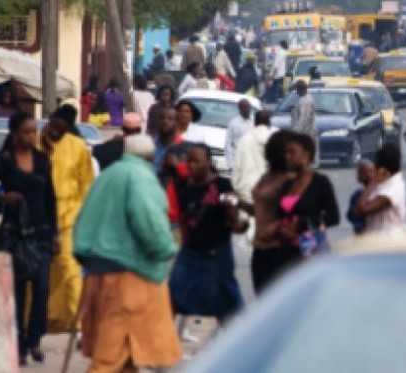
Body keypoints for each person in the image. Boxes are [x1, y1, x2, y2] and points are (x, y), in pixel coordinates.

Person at [74, 134, 181, 372]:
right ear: (151, 157)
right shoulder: (141, 177)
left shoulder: (108, 175)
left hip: (97, 270)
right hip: (128, 274)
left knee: (127, 355)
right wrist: (166, 249)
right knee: (111, 356)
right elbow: (148, 221)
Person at [0, 112, 57, 365]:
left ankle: (35, 340)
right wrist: (2, 199)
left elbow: (50, 199)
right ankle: (21, 345)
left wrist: (55, 233)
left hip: (41, 233)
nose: (31, 136)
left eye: (33, 131)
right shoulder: (3, 162)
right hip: (14, 234)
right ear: (15, 133)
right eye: (26, 131)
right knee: (19, 293)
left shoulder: (43, 161)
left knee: (42, 289)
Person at [248, 131, 340, 293]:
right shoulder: (288, 184)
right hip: (284, 251)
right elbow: (281, 215)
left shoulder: (320, 183)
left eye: (292, 152)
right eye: (285, 153)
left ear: (307, 155)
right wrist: (276, 227)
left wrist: (302, 223)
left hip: (309, 249)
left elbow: (333, 217)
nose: (287, 157)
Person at [169, 144, 247, 325]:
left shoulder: (222, 186)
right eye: (189, 161)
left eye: (197, 161)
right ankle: (163, 346)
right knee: (172, 296)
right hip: (190, 252)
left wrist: (241, 223)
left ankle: (237, 340)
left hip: (217, 252)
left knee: (225, 303)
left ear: (208, 162)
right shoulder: (184, 186)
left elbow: (234, 222)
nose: (191, 165)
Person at [39, 104, 95, 335]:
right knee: (43, 272)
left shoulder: (78, 147)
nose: (54, 131)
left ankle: (79, 322)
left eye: (60, 128)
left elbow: (87, 185)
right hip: (39, 216)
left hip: (70, 216)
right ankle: (46, 318)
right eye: (53, 125)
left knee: (70, 268)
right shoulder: (35, 144)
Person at [354, 143, 406, 237]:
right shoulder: (382, 182)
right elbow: (356, 210)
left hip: (388, 243)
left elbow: (362, 209)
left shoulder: (395, 188)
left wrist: (373, 182)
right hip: (374, 242)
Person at [232, 111, 276, 205]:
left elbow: (238, 165)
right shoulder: (273, 139)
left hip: (246, 187)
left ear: (255, 122)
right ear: (269, 123)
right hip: (267, 188)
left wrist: (235, 186)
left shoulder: (245, 139)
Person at [290, 80, 317, 161]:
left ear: (300, 89)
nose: (296, 92)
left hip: (306, 133)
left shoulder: (306, 101)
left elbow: (303, 119)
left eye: (297, 89)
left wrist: (297, 132)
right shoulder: (303, 99)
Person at [225, 99, 254, 171]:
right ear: (240, 109)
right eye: (245, 107)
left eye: (248, 107)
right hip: (238, 160)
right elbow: (228, 144)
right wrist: (230, 164)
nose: (247, 110)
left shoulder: (255, 121)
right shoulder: (233, 123)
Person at [346, 160, 374, 236]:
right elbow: (350, 216)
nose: (364, 175)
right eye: (361, 173)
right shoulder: (356, 195)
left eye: (366, 172)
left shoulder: (381, 194)